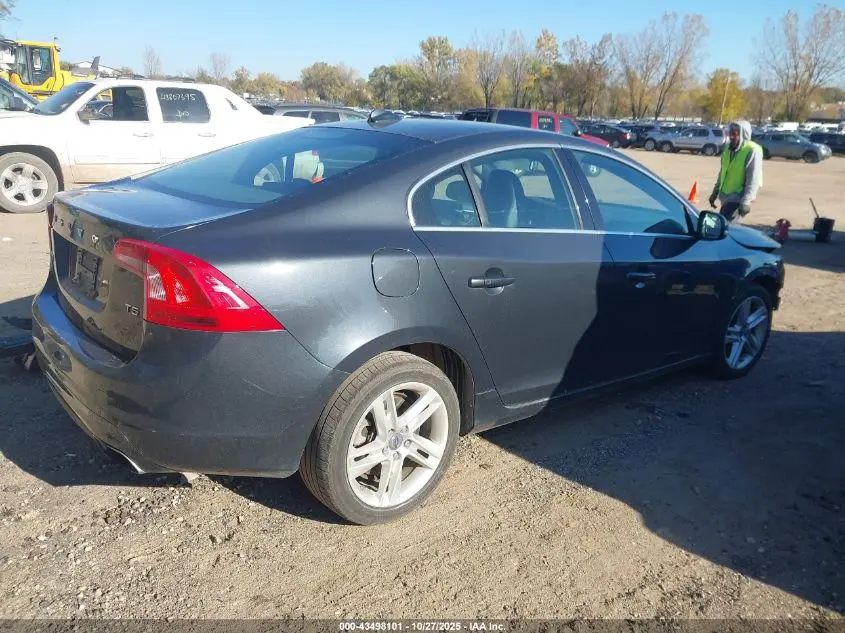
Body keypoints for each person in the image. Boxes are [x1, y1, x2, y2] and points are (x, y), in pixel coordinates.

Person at [709, 120, 763, 223]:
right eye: (730, 134)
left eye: (735, 134)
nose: (731, 137)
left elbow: (753, 179)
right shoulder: (728, 149)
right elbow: (723, 173)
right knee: (725, 228)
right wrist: (714, 193)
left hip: (737, 199)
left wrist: (746, 202)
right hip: (725, 198)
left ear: (744, 135)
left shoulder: (752, 150)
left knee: (724, 229)